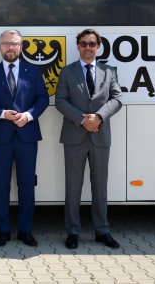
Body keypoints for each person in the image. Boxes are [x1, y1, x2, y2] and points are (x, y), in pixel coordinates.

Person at [0, 29, 49, 247]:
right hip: (0, 137)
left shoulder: (34, 71)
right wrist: (1, 114)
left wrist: (27, 116)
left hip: (27, 136)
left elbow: (43, 99)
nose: (10, 47)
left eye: (15, 43)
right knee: (0, 185)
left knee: (27, 185)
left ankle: (25, 231)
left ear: (21, 46)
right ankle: (3, 231)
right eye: (6, 43)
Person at [55, 28, 123, 250]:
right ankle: (72, 232)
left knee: (100, 187)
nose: (88, 47)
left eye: (92, 44)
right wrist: (83, 120)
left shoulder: (109, 71)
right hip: (75, 136)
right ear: (78, 46)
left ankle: (102, 231)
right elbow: (61, 101)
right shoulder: (67, 72)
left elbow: (117, 98)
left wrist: (99, 117)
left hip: (100, 136)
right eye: (83, 43)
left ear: (98, 46)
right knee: (73, 187)